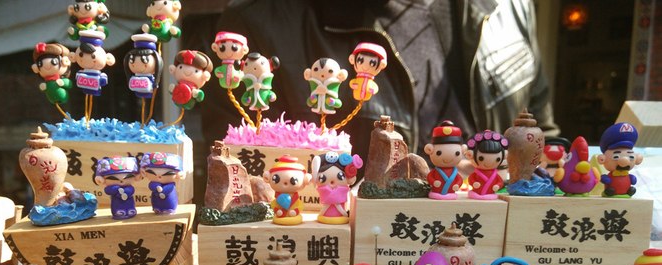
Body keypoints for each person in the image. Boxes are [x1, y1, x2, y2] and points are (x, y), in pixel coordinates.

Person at [199, 0, 558, 173]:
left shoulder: (509, 8)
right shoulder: (261, 22)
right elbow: (243, 182)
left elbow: (542, 135)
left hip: (496, 260)